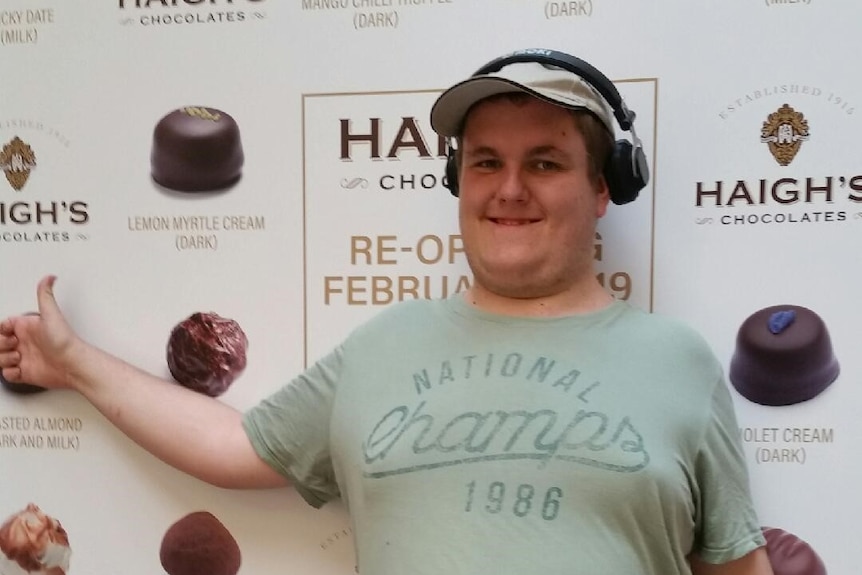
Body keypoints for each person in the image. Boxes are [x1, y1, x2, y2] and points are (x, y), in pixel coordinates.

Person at [0, 49, 773, 575]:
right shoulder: (385, 345)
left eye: (544, 161)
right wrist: (74, 364)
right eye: (485, 162)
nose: (509, 188)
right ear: (458, 182)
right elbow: (231, 445)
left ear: (604, 185)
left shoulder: (680, 363)